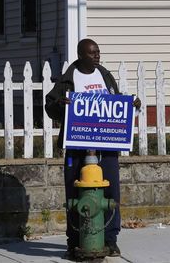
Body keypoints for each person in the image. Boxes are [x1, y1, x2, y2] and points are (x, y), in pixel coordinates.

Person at [45, 38, 141, 259]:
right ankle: (74, 240)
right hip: (76, 146)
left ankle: (110, 239)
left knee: (111, 192)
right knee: (74, 191)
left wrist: (132, 105)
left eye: (98, 52)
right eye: (92, 53)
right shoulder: (69, 78)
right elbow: (50, 105)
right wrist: (60, 106)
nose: (97, 56)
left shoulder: (104, 75)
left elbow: (115, 103)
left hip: (106, 146)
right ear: (81, 55)